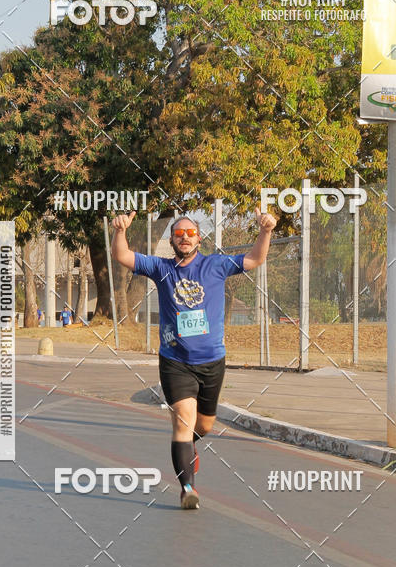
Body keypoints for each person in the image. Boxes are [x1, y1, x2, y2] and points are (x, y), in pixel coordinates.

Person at [112, 208, 277, 509]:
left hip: (212, 361)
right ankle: (187, 488)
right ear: (172, 240)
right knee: (183, 423)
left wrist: (265, 230)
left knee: (205, 426)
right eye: (179, 234)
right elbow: (123, 256)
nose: (185, 238)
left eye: (190, 233)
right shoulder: (161, 268)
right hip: (175, 361)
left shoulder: (216, 265)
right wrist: (120, 230)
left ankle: (188, 449)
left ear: (200, 239)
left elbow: (254, 259)